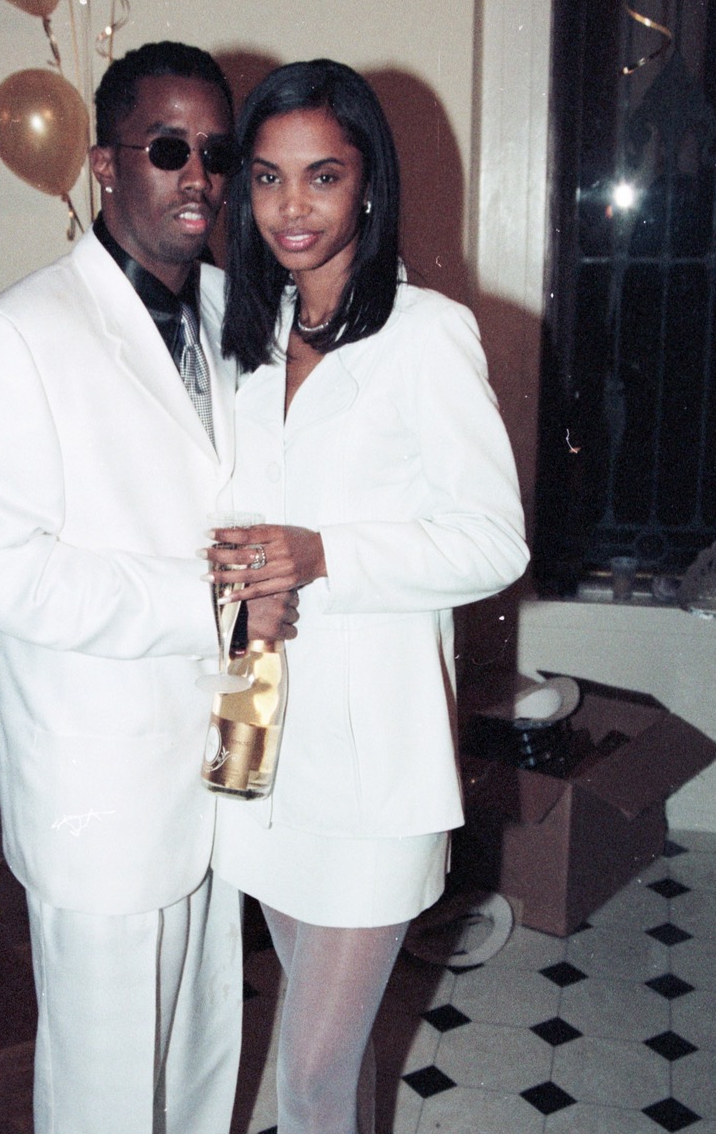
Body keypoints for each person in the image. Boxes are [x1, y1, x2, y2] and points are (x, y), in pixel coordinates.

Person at [0, 41, 298, 1134]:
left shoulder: (251, 312)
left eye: (219, 152)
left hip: (232, 745)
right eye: (168, 148)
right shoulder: (16, 337)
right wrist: (205, 603)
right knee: (102, 1089)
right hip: (101, 783)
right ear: (104, 162)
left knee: (203, 1053)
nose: (200, 176)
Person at [202, 60, 530, 1134]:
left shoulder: (424, 333)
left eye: (322, 176)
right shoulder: (241, 340)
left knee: (307, 1073)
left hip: (368, 749)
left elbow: (490, 540)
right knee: (301, 1026)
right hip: (251, 718)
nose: (290, 207)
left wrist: (321, 553)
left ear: (368, 189)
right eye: (265, 177)